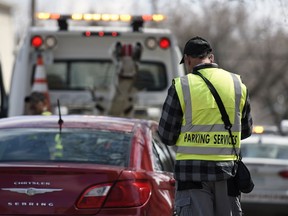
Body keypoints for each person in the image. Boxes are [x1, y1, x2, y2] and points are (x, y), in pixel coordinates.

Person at [157, 36, 253, 216]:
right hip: (228, 173)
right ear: (212, 58)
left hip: (192, 175)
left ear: (187, 59)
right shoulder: (237, 84)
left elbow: (166, 135)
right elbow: (246, 131)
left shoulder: (182, 86)